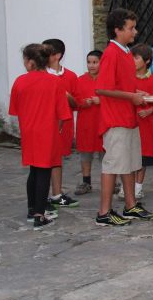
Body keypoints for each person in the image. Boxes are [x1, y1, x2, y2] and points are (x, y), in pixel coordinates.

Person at [95, 8, 153, 226]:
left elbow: (121, 85)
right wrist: (131, 95)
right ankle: (104, 212)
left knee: (129, 163)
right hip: (115, 119)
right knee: (112, 165)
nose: (135, 32)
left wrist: (135, 93)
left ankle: (130, 205)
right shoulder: (111, 53)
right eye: (130, 28)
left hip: (128, 118)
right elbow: (102, 88)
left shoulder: (125, 52)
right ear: (117, 29)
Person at [9, 43, 72, 229]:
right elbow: (63, 114)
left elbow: (15, 110)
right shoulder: (55, 82)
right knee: (44, 171)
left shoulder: (19, 81)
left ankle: (31, 209)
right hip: (47, 131)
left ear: (29, 63)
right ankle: (39, 214)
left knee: (34, 170)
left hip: (28, 131)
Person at [42, 38, 80, 209]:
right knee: (44, 159)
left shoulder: (70, 76)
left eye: (46, 52)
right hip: (46, 124)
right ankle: (44, 195)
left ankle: (56, 193)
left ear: (57, 55)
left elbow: (76, 103)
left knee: (57, 160)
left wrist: (65, 95)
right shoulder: (41, 75)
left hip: (63, 124)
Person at [74, 50, 104, 196]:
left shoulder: (107, 80)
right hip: (86, 123)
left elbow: (116, 100)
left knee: (106, 153)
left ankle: (111, 181)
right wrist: (83, 102)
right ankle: (86, 181)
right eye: (89, 62)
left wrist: (102, 101)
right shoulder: (79, 80)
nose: (91, 65)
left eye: (95, 62)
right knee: (86, 154)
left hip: (103, 122)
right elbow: (74, 101)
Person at [130, 43, 153, 200]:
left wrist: (151, 110)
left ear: (146, 61)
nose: (133, 61)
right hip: (131, 121)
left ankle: (138, 186)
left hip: (147, 123)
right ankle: (128, 185)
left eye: (137, 58)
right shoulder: (128, 80)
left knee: (143, 156)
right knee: (130, 155)